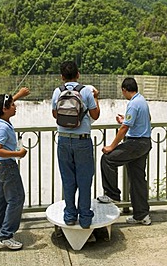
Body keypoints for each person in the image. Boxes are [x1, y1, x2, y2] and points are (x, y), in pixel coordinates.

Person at [52, 61, 100, 228]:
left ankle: (70, 215)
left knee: (68, 179)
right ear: (78, 74)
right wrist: (95, 97)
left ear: (62, 76)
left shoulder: (57, 91)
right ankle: (85, 218)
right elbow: (95, 114)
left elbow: (55, 114)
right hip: (82, 141)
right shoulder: (85, 91)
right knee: (85, 180)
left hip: (64, 140)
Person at [97, 77, 152, 225]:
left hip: (135, 143)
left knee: (107, 159)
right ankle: (142, 215)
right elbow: (142, 120)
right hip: (144, 142)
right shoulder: (141, 100)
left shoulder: (133, 104)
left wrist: (112, 146)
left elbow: (124, 128)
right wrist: (125, 120)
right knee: (137, 179)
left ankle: (112, 194)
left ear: (125, 90)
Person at [0, 87, 30, 250]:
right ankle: (5, 235)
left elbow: (4, 105)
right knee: (17, 198)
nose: (15, 106)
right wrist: (18, 153)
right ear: (5, 109)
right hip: (6, 166)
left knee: (2, 198)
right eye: (12, 104)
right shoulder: (3, 128)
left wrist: (18, 95)